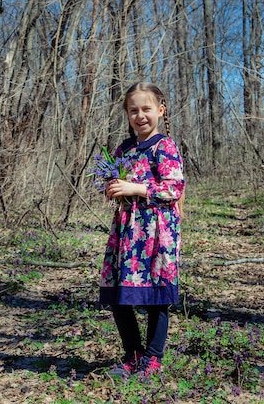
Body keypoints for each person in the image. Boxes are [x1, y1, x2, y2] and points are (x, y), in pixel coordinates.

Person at [100, 82, 185, 378]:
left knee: (156, 297)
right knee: (118, 295)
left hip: (156, 234)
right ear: (127, 113)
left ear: (160, 111)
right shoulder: (123, 149)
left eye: (146, 109)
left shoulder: (165, 146)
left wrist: (135, 187)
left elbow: (174, 188)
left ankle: (152, 358)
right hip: (127, 232)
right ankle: (133, 355)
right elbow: (112, 182)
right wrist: (112, 188)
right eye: (133, 110)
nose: (140, 116)